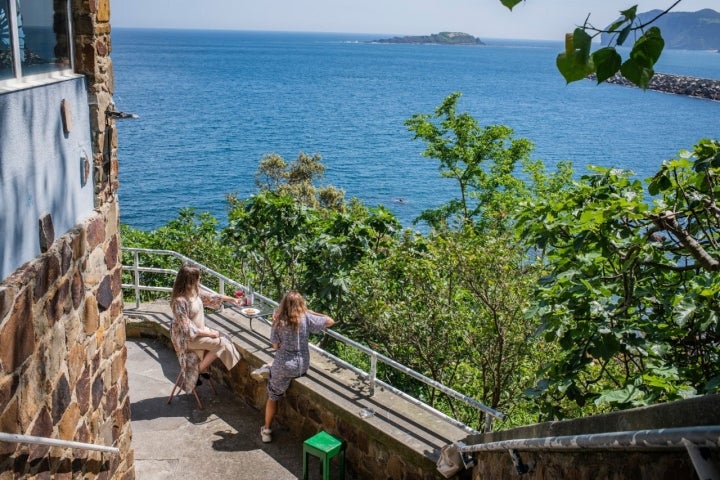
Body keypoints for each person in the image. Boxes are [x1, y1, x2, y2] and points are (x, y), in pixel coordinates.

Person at [253, 290, 335, 443]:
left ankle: (266, 430)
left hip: (284, 365)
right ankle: (268, 368)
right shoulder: (306, 318)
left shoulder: (279, 321)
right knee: (275, 364)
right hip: (302, 365)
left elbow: (275, 346)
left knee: (273, 396)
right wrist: (308, 311)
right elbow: (330, 321)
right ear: (301, 305)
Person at [170, 264, 242, 393]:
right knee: (222, 343)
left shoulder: (195, 291)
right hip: (187, 339)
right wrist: (209, 334)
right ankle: (198, 370)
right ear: (191, 280)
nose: (200, 278)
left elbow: (212, 297)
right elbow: (187, 328)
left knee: (224, 337)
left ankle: (200, 369)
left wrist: (233, 300)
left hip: (199, 333)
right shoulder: (179, 301)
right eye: (198, 276)